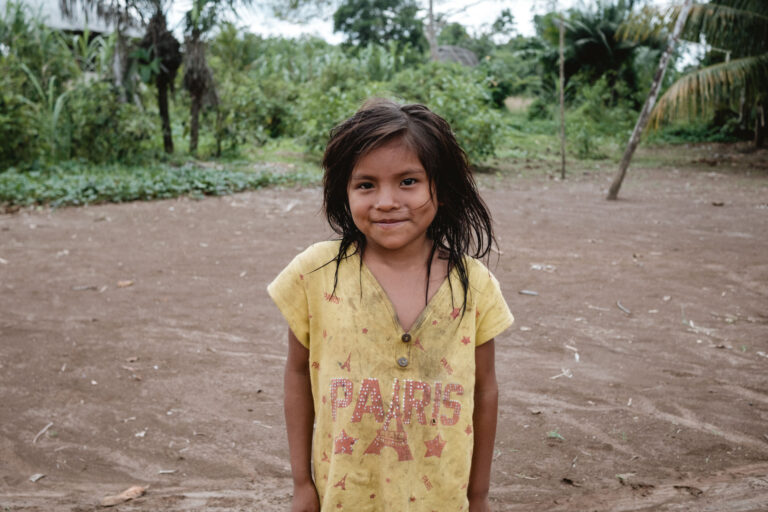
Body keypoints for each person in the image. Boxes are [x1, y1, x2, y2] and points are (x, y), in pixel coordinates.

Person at [268, 98, 514, 512]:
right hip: (345, 495)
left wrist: (479, 495)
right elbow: (296, 371)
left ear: (441, 186)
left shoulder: (474, 285)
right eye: (366, 185)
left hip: (441, 499)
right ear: (343, 192)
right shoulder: (316, 273)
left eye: (408, 181)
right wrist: (301, 484)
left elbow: (485, 389)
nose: (385, 201)